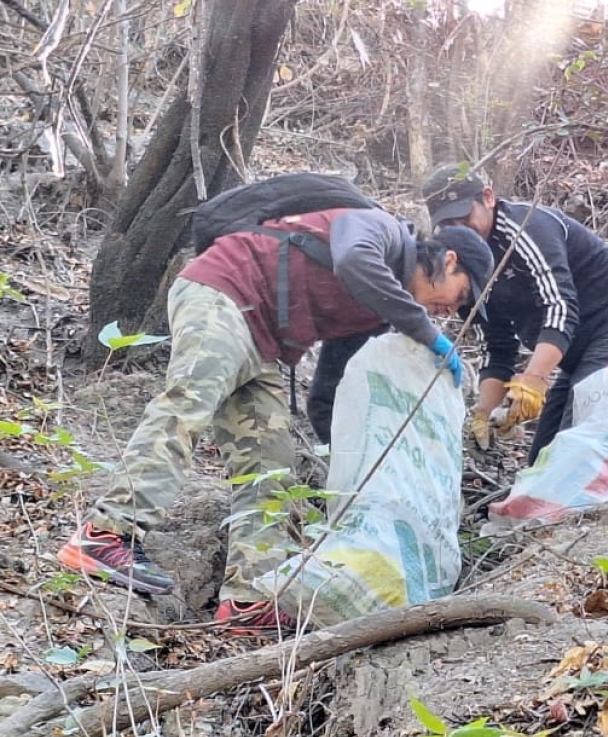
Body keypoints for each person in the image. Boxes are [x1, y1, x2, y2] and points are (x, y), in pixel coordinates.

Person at [57, 205, 494, 632]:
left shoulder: (377, 310)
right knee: (189, 402)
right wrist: (426, 331)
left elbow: (325, 395)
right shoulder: (382, 231)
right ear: (448, 261)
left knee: (271, 466)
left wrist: (363, 473)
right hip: (223, 295)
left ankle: (247, 600)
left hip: (264, 345)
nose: (451, 312)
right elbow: (353, 257)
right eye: (462, 296)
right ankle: (106, 531)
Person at [421, 164, 608, 464]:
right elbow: (496, 345)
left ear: (488, 198)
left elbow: (559, 304)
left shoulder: (525, 227)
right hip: (574, 355)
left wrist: (533, 378)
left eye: (466, 218)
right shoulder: (460, 262)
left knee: (579, 444)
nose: (461, 230)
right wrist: (484, 413)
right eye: (448, 225)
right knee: (542, 459)